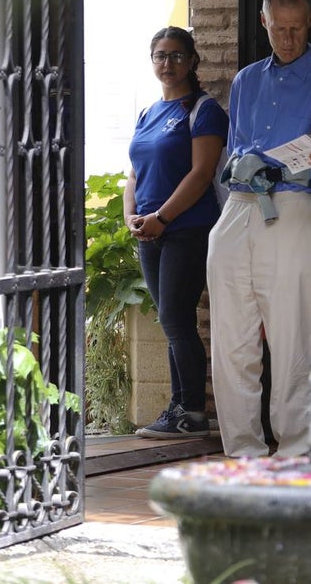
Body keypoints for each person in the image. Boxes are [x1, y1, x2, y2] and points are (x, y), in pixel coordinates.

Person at [207, 0, 311, 458]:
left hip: (292, 207)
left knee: (293, 336)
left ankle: (294, 450)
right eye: (278, 29)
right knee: (231, 338)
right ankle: (243, 452)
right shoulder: (245, 80)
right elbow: (232, 151)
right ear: (264, 23)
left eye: (296, 29)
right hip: (238, 208)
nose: (288, 39)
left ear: (309, 24)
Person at [126, 26, 229, 438]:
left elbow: (202, 174)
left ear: (192, 61)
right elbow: (134, 173)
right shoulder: (147, 113)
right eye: (160, 56)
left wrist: (162, 218)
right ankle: (178, 407)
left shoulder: (203, 110)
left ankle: (192, 412)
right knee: (171, 321)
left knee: (177, 319)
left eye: (176, 55)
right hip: (150, 231)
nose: (167, 63)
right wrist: (131, 217)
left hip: (186, 228)